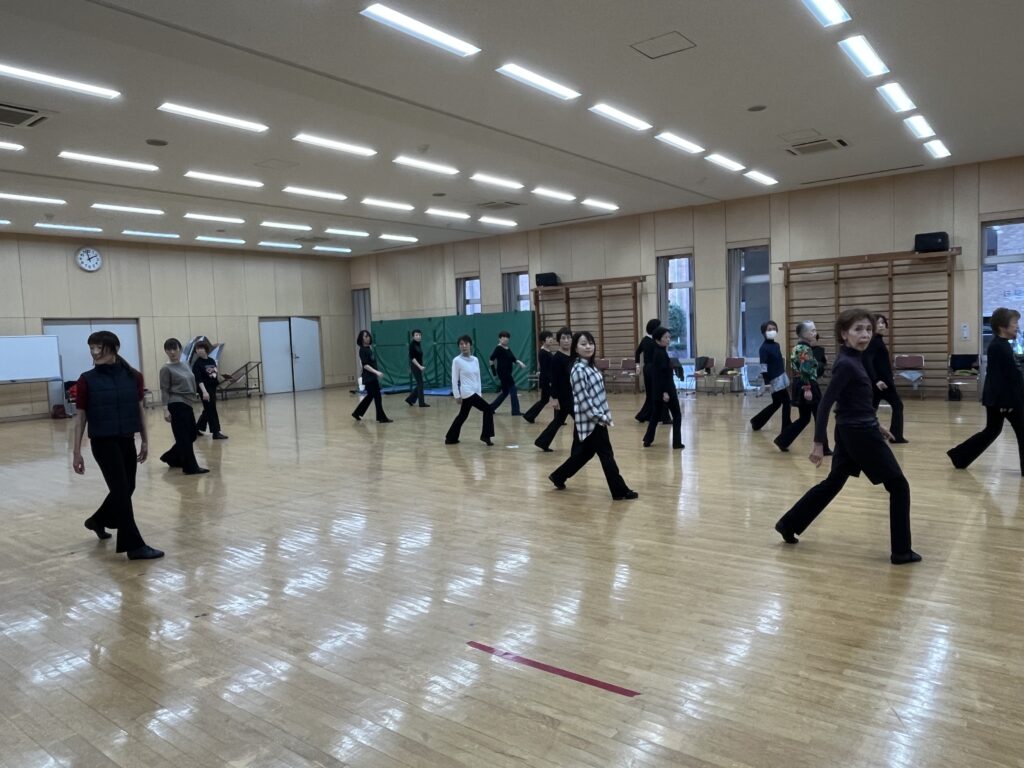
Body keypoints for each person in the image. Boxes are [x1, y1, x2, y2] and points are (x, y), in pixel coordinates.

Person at [774, 308, 920, 565]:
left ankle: (789, 523)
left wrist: (878, 425)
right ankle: (901, 551)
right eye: (858, 329)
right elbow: (825, 404)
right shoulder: (846, 364)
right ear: (844, 334)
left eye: (868, 329)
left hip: (853, 430)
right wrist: (818, 443)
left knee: (833, 482)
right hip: (859, 435)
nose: (865, 334)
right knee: (899, 486)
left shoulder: (855, 359)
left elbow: (855, 402)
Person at [72, 331, 163, 560]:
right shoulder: (86, 380)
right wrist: (76, 452)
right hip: (103, 443)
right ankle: (134, 546)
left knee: (127, 487)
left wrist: (145, 440)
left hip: (126, 440)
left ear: (114, 349)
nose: (94, 353)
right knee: (122, 492)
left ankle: (98, 520)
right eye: (91, 348)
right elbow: (80, 417)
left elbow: (140, 410)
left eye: (99, 348)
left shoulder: (133, 376)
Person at [548, 331, 638, 500]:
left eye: (590, 343)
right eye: (583, 344)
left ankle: (558, 476)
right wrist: (600, 418)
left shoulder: (590, 366)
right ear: (576, 348)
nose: (588, 347)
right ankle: (619, 491)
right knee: (606, 454)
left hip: (594, 418)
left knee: (585, 454)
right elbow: (583, 400)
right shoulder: (578, 370)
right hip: (591, 420)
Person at [947, 307, 1024, 474]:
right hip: (1004, 400)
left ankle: (959, 456)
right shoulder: (998, 347)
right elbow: (998, 378)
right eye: (1014, 323)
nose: (1017, 326)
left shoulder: (1002, 345)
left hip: (1001, 399)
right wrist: (1005, 403)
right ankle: (959, 456)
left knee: (992, 431)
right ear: (1003, 327)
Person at [775, 321, 831, 455]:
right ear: (804, 333)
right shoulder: (803, 349)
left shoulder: (801, 347)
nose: (815, 333)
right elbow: (806, 371)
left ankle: (783, 440)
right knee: (819, 416)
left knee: (805, 418)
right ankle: (823, 447)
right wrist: (808, 389)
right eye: (812, 330)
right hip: (807, 384)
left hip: (802, 384)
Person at [159, 338, 208, 474]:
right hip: (176, 403)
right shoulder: (165, 369)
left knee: (191, 435)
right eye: (169, 349)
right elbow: (164, 389)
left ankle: (171, 457)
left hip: (188, 402)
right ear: (166, 351)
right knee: (184, 437)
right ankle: (190, 467)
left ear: (180, 349)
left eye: (175, 349)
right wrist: (165, 409)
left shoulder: (185, 364)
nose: (172, 352)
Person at [862, 314, 907, 443]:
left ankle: (870, 434)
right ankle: (896, 436)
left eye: (883, 323)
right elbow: (867, 361)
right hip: (882, 383)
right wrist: (876, 380)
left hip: (880, 382)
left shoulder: (877, 341)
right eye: (878, 323)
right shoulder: (874, 341)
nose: (881, 325)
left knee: (871, 409)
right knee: (898, 405)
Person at [445, 335, 495, 445]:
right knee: (488, 409)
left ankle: (450, 438)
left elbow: (478, 378)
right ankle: (486, 436)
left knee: (463, 415)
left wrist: (479, 393)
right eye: (461, 344)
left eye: (466, 344)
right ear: (459, 346)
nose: (464, 346)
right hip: (467, 392)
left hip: (474, 392)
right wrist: (457, 395)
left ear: (470, 345)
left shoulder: (475, 360)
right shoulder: (457, 361)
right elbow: (454, 379)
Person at [534, 327, 577, 452]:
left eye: (568, 338)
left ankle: (542, 441)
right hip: (563, 396)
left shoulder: (573, 355)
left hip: (572, 393)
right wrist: (554, 398)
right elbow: (554, 379)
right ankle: (584, 444)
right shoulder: (557, 358)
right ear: (559, 340)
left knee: (558, 420)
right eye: (563, 338)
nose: (566, 340)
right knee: (580, 419)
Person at [642, 327, 683, 449]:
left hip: (659, 390)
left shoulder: (659, 352)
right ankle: (677, 442)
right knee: (677, 415)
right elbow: (660, 375)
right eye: (666, 337)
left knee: (655, 416)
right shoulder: (660, 354)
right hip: (667, 390)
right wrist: (665, 392)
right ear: (658, 340)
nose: (668, 339)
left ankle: (647, 440)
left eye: (669, 337)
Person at [749, 320, 791, 433]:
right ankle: (786, 427)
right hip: (774, 380)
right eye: (769, 329)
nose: (772, 331)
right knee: (786, 402)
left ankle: (756, 422)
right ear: (764, 332)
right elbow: (763, 367)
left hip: (781, 376)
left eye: (774, 329)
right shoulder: (763, 348)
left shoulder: (777, 345)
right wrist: (767, 383)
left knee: (777, 403)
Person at [352, 330, 392, 423]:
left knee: (370, 396)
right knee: (377, 397)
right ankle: (381, 417)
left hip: (371, 377)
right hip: (369, 378)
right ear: (361, 339)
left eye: (368, 336)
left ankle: (357, 413)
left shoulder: (368, 349)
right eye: (365, 336)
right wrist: (376, 372)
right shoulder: (363, 350)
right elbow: (365, 365)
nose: (368, 337)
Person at [634, 318, 668, 423]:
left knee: (651, 394)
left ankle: (646, 415)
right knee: (661, 392)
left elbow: (637, 352)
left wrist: (637, 366)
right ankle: (663, 417)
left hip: (646, 369)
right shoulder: (657, 341)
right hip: (654, 369)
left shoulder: (645, 340)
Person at [193, 339, 227, 439]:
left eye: (201, 348)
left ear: (206, 349)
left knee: (208, 409)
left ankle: (197, 428)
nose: (199, 350)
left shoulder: (211, 360)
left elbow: (214, 375)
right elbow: (198, 379)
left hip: (212, 388)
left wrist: (225, 379)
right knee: (211, 409)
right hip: (204, 389)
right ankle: (216, 432)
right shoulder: (197, 364)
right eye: (197, 349)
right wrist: (204, 392)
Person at [489, 331, 527, 415]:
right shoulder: (498, 348)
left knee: (505, 392)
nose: (505, 339)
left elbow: (513, 358)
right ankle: (515, 411)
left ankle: (490, 408)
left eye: (507, 337)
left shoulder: (507, 348)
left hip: (508, 372)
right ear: (499, 339)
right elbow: (491, 359)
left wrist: (520, 362)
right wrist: (494, 372)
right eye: (503, 337)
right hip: (503, 372)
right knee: (513, 389)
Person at [522, 331, 555, 423]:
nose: (551, 339)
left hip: (547, 379)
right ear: (543, 341)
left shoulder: (547, 351)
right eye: (548, 338)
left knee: (545, 400)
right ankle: (558, 419)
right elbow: (545, 369)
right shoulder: (543, 352)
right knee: (555, 398)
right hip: (547, 380)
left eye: (551, 337)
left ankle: (529, 416)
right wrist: (550, 381)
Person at [404, 329, 429, 407]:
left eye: (419, 335)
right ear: (413, 336)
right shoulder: (412, 345)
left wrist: (420, 366)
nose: (418, 336)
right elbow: (412, 358)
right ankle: (421, 403)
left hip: (418, 366)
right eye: (416, 335)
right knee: (420, 384)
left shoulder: (418, 344)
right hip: (415, 366)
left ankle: (410, 399)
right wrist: (419, 366)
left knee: (420, 384)